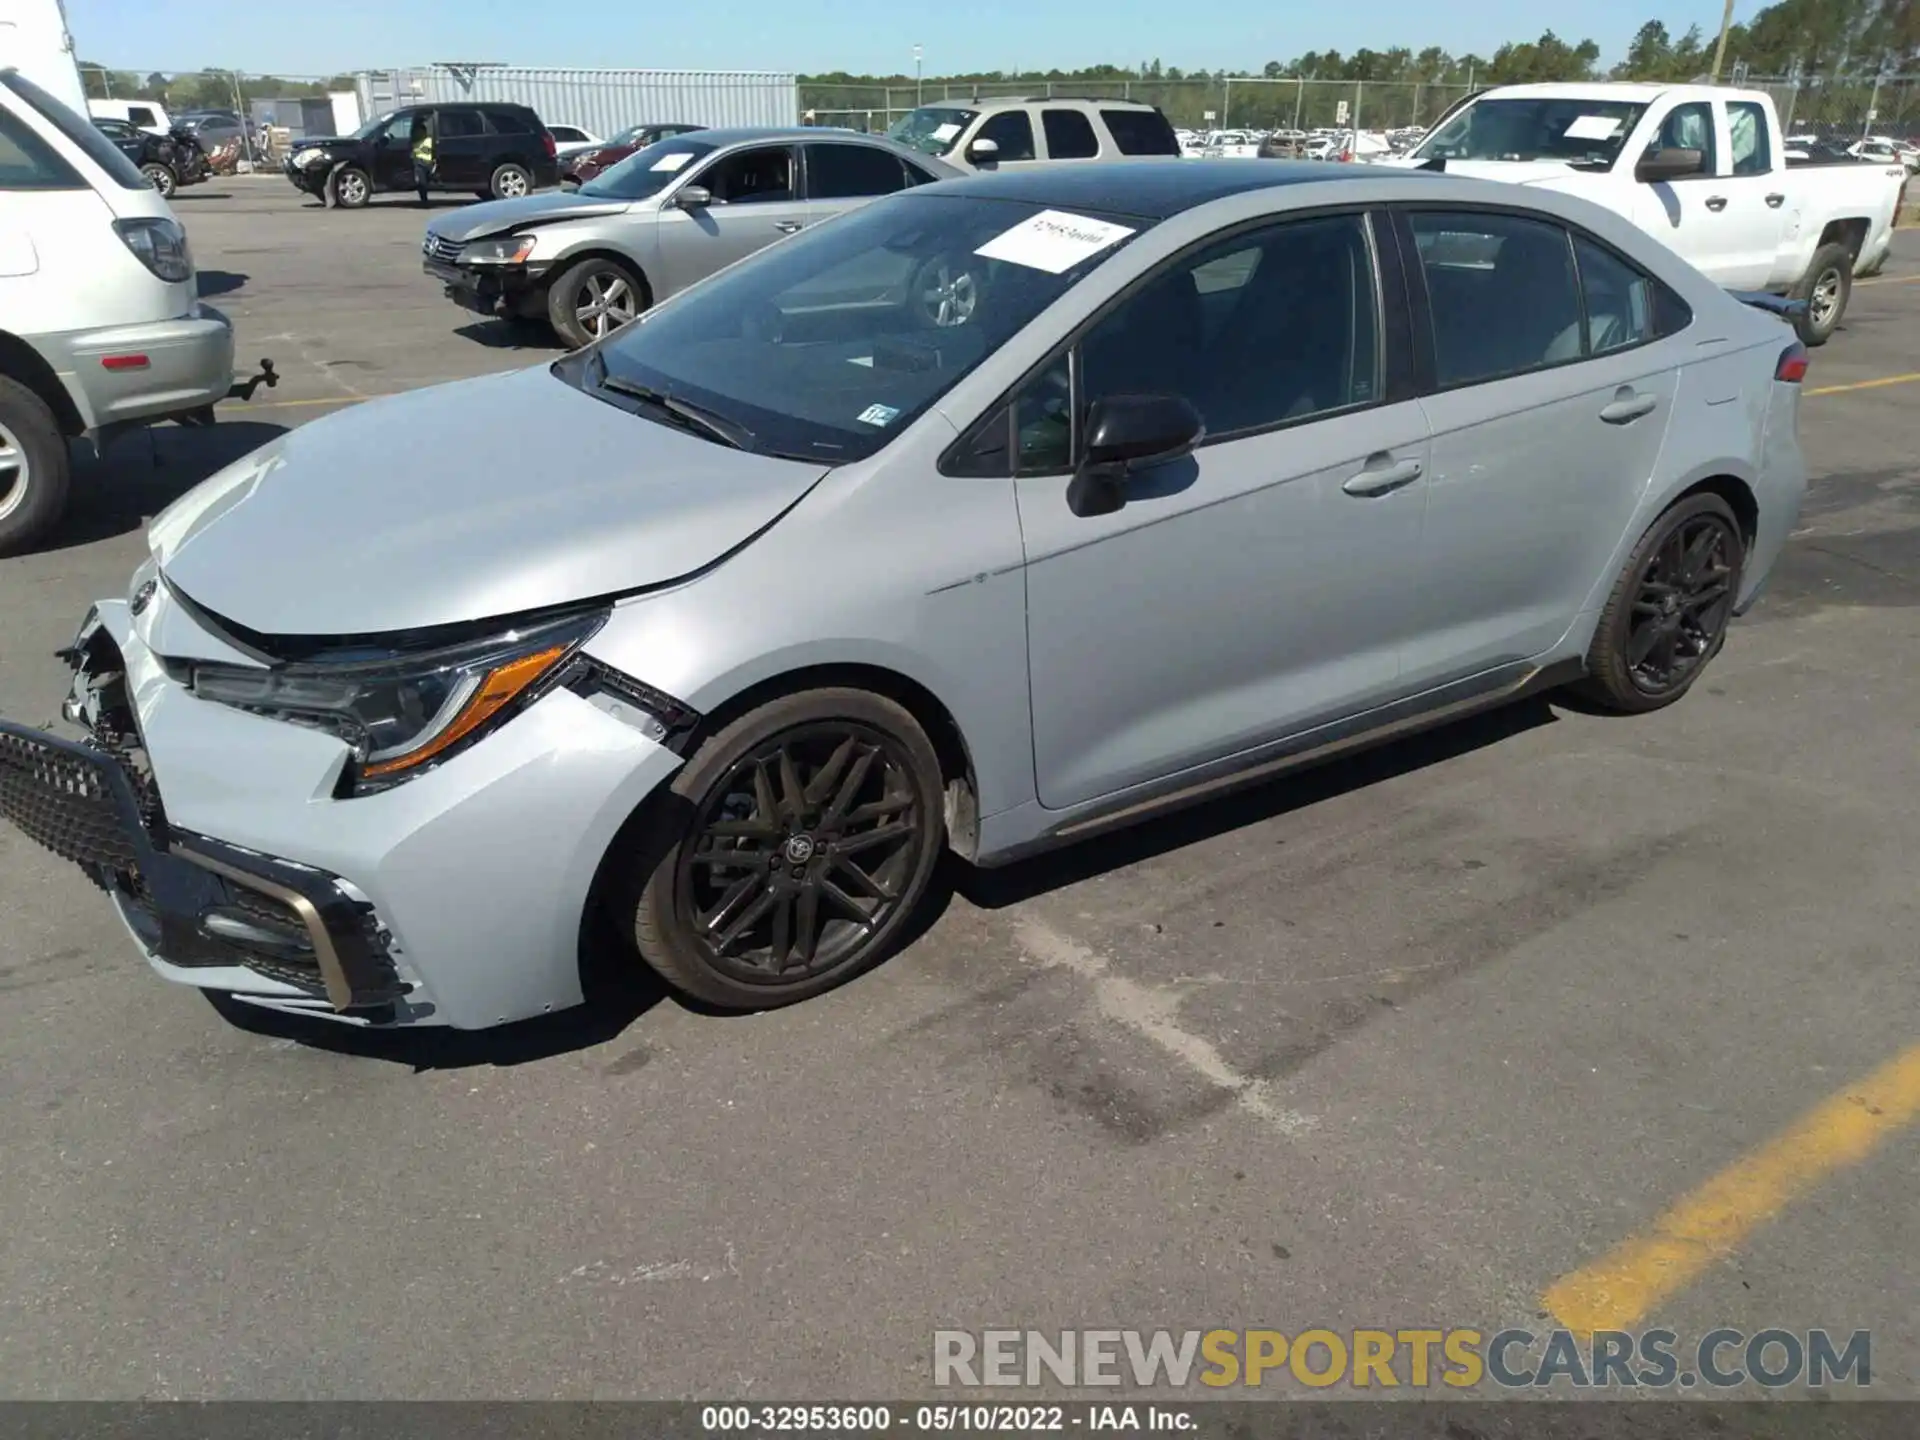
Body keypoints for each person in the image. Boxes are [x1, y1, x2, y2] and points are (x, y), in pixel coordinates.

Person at [411, 113, 435, 203]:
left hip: (424, 160)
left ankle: (424, 199)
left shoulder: (421, 135)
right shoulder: (419, 134)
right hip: (421, 160)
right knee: (422, 181)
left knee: (423, 181)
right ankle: (424, 199)